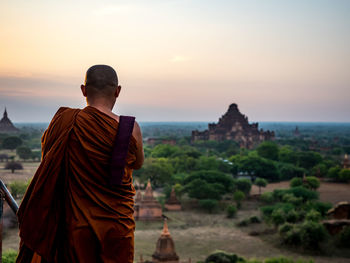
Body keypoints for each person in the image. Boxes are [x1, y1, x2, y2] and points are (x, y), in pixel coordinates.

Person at [16, 65, 144, 263]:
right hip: (115, 229)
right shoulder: (130, 129)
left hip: (74, 226)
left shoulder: (65, 121)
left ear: (83, 90)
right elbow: (137, 164)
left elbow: (49, 160)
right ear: (118, 91)